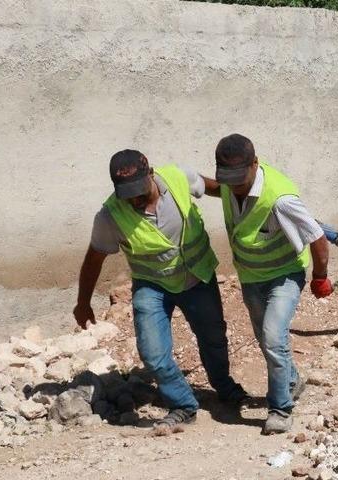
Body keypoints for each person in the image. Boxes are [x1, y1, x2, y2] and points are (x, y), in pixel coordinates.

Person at [73, 150, 246, 432]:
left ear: (151, 173)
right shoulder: (110, 216)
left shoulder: (179, 177)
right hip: (152, 285)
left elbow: (217, 188)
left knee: (213, 336)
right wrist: (83, 302)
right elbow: (94, 258)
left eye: (139, 191)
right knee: (153, 354)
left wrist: (245, 199)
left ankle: (225, 387)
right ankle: (184, 405)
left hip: (197, 277)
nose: (134, 200)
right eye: (126, 194)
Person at [208, 134, 332, 435]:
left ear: (256, 163)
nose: (234, 185)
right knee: (266, 341)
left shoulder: (281, 198)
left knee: (274, 337)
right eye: (228, 179)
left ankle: (280, 408)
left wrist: (320, 276)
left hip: (284, 275)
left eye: (241, 178)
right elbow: (212, 187)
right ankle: (291, 381)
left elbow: (317, 238)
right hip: (251, 277)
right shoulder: (227, 183)